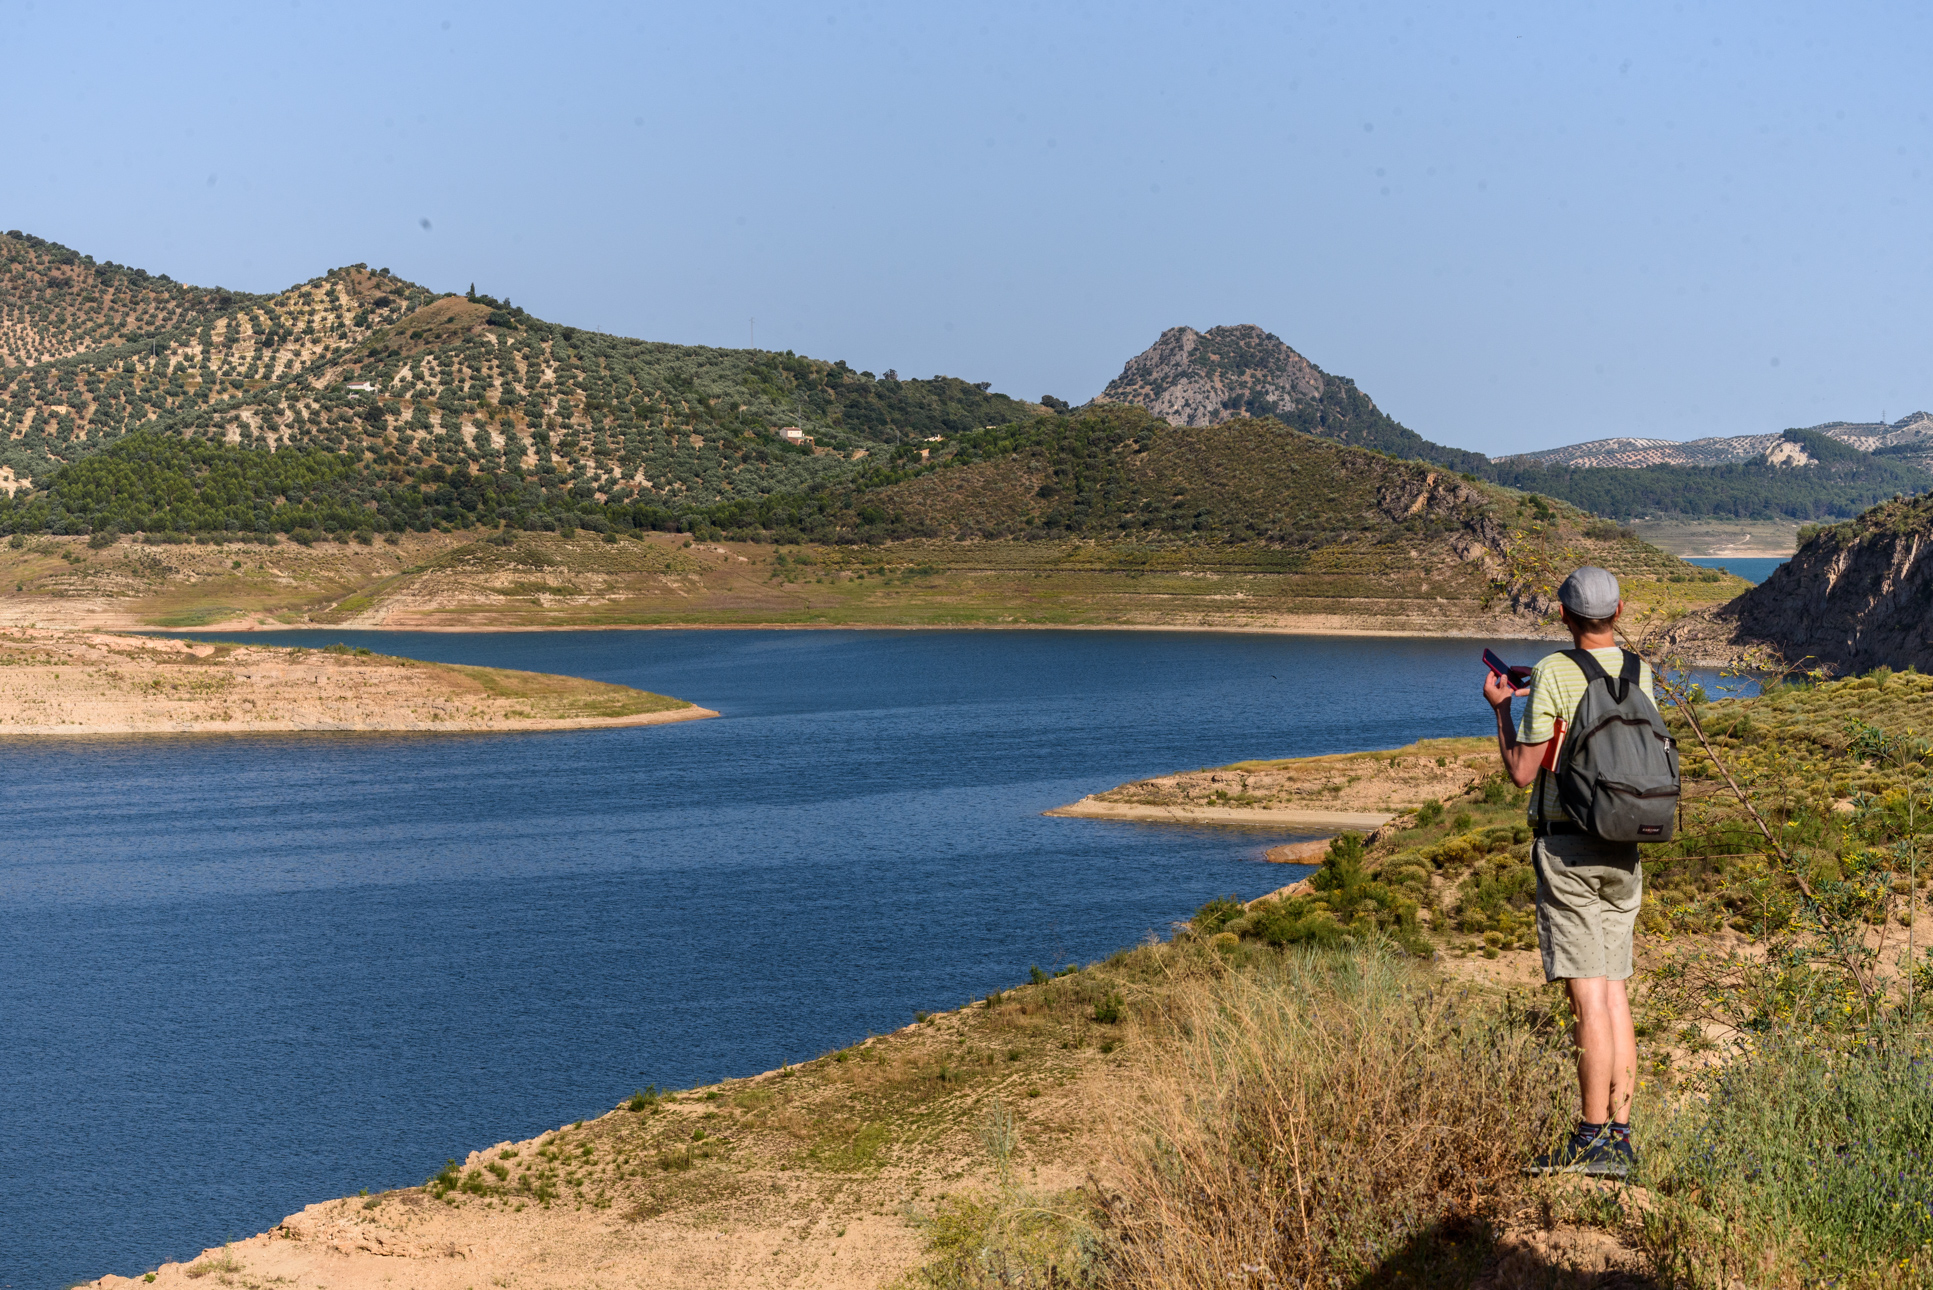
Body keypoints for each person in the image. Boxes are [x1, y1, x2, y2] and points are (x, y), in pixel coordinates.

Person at [1483, 566, 1649, 1177]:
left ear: (1563, 615)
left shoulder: (1554, 671)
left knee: (1587, 998)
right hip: (1625, 847)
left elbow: (1523, 772)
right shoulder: (1638, 670)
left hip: (1569, 848)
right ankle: (1621, 1137)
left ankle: (1590, 1139)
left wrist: (1503, 710)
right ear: (1619, 611)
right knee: (1615, 992)